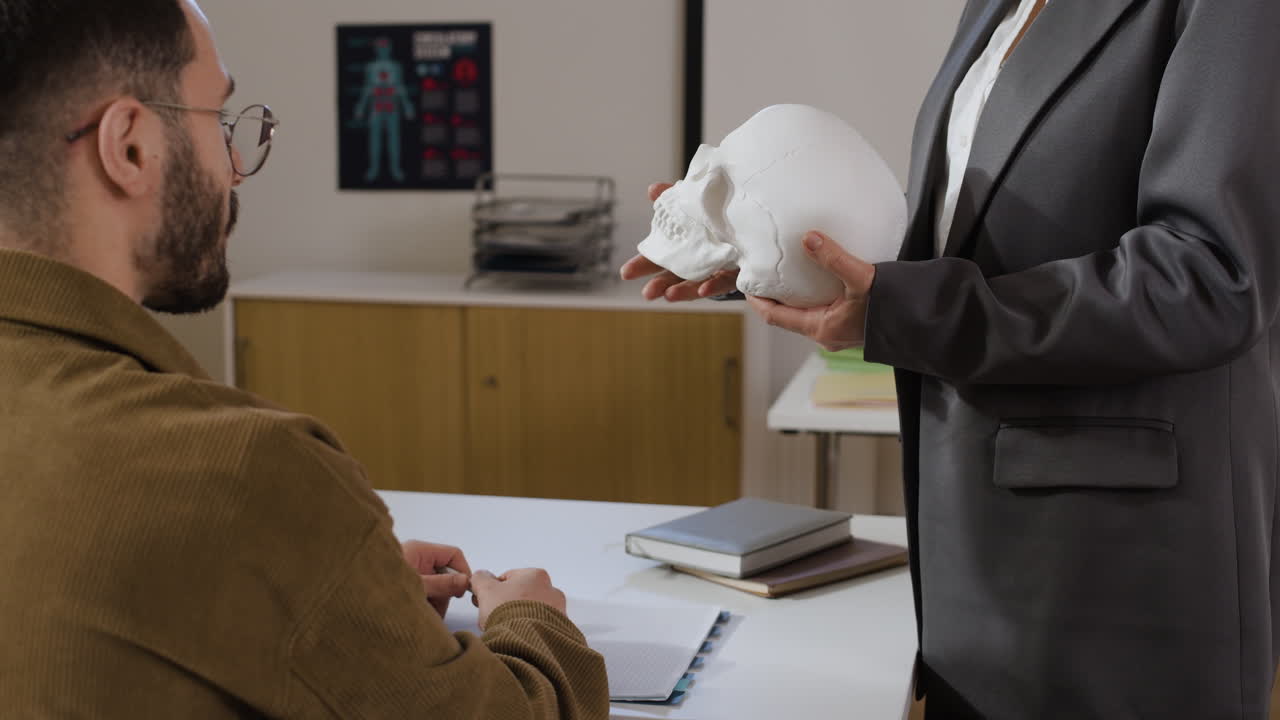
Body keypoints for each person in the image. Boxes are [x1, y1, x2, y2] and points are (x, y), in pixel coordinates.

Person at [624, 0, 1280, 717]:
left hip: (1113, 558)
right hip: (975, 527)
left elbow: (1210, 276)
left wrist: (909, 310)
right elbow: (966, 229)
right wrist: (769, 253)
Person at [0, 1, 608, 717]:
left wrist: (331, 589)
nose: (236, 167)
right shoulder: (244, 471)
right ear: (130, 148)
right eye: (218, 121)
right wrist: (533, 619)